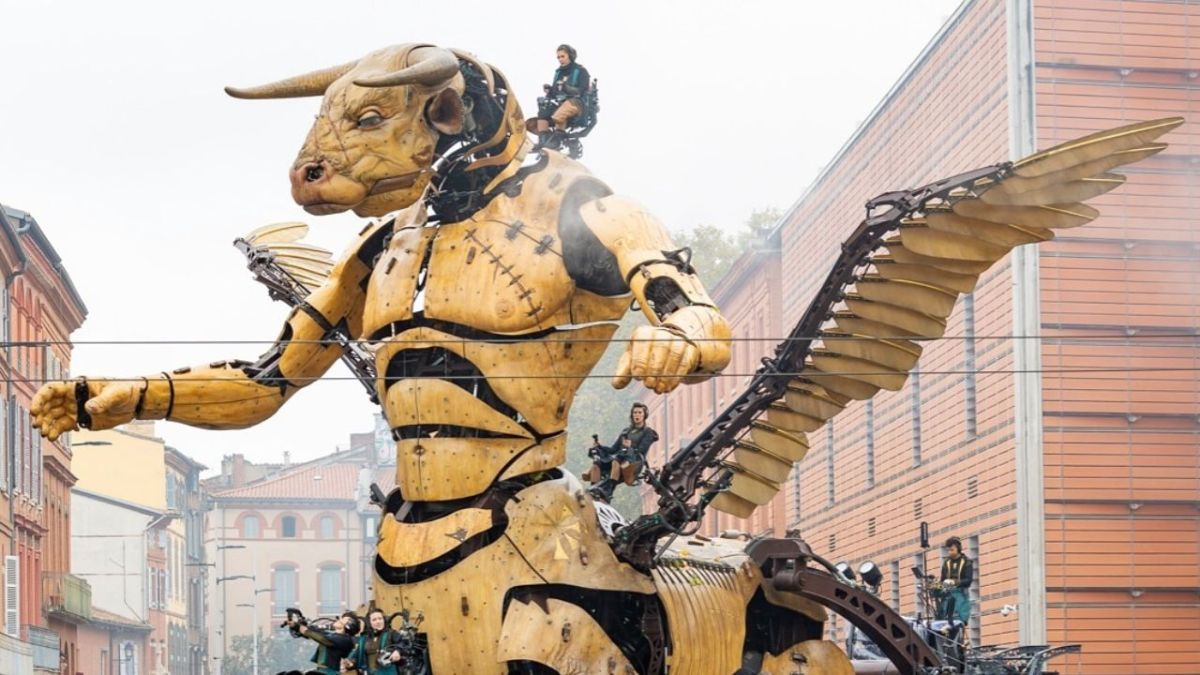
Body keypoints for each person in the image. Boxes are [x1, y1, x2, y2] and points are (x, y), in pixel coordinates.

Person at [589, 402, 659, 502]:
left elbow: (642, 451)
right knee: (597, 462)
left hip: (635, 461)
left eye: (640, 412)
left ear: (644, 415)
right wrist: (600, 446)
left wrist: (630, 447)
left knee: (616, 460)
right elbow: (613, 449)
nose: (637, 415)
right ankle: (593, 488)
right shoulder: (626, 431)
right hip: (620, 457)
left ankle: (609, 491)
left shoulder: (648, 432)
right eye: (635, 413)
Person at [535, 44, 590, 139]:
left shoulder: (581, 71)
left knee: (560, 114)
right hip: (560, 103)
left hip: (577, 103)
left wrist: (566, 88)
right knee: (542, 113)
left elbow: (581, 91)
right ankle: (543, 140)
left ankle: (558, 139)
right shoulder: (558, 72)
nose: (560, 59)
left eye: (562, 56)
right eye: (558, 57)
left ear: (570, 56)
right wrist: (550, 90)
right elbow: (555, 92)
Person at [285, 610, 359, 675]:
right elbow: (314, 634)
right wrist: (295, 625)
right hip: (321, 670)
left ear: (347, 626)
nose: (338, 619)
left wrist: (303, 629)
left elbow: (322, 639)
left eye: (342, 619)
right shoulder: (332, 635)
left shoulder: (345, 640)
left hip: (330, 672)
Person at [344, 608, 402, 675]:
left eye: (380, 618)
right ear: (369, 623)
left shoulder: (391, 634)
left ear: (384, 620)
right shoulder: (363, 639)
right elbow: (356, 656)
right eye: (374, 620)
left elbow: (403, 643)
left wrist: (398, 651)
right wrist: (350, 663)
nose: (378, 621)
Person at [938, 537, 973, 624]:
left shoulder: (966, 561)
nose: (950, 552)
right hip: (948, 594)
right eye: (948, 550)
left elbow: (968, 580)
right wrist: (940, 585)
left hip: (961, 594)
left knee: (958, 620)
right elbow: (942, 579)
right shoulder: (946, 562)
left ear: (958, 548)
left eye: (952, 549)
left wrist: (954, 582)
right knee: (944, 620)